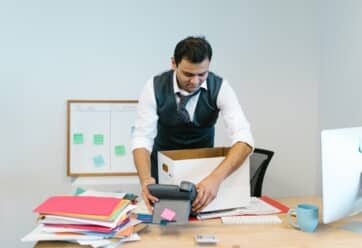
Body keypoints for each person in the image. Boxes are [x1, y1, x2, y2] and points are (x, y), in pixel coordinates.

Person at [132, 36, 254, 213]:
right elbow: (142, 138)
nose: (195, 81)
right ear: (174, 63)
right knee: (166, 223)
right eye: (188, 74)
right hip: (162, 173)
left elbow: (244, 138)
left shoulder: (221, 88)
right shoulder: (153, 87)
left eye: (202, 74)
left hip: (204, 176)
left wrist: (216, 179)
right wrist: (145, 180)